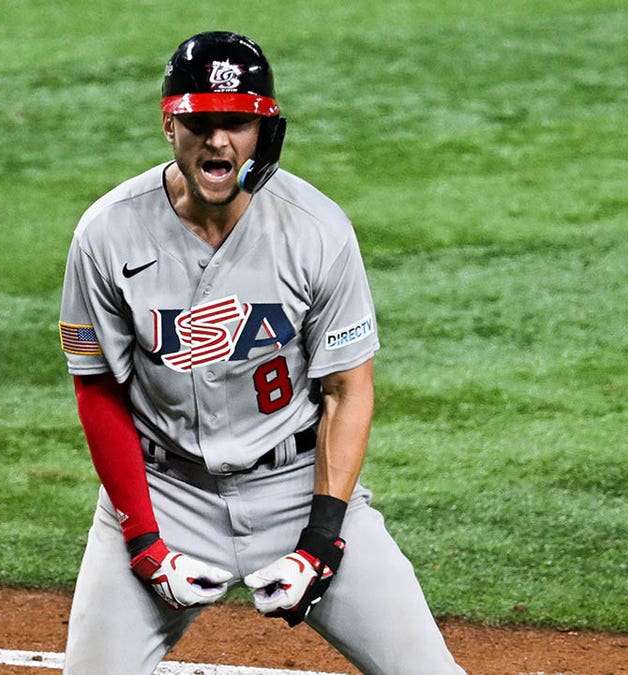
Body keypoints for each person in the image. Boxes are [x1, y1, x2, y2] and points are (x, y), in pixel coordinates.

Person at [57, 30, 466, 674]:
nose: (219, 140)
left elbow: (347, 390)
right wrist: (143, 543)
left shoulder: (316, 230)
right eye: (201, 121)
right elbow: (98, 388)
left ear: (263, 132)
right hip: (163, 490)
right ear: (170, 124)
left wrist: (323, 542)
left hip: (296, 487)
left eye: (238, 122)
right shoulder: (107, 233)